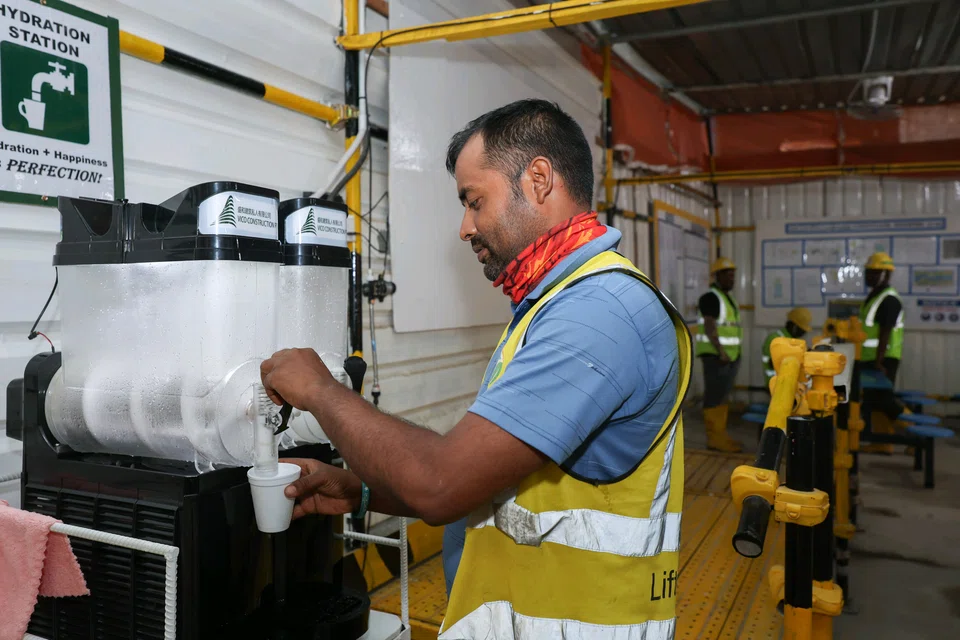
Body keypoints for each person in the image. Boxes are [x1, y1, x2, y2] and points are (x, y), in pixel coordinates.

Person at [260, 99, 691, 639]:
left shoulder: (597, 314)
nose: (465, 228)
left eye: (474, 201)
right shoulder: (554, 304)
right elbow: (494, 479)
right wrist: (360, 492)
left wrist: (321, 391)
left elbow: (440, 483)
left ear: (538, 180)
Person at [858, 251, 904, 453]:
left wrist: (879, 362)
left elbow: (885, 331)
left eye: (874, 273)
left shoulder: (889, 299)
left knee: (884, 400)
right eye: (868, 272)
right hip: (870, 358)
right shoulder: (875, 295)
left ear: (886, 274)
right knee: (873, 400)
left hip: (883, 359)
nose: (869, 276)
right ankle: (882, 443)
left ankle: (914, 432)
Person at [696, 258, 743, 452]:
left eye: (733, 275)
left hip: (729, 356)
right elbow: (709, 327)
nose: (732, 279)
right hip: (717, 357)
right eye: (728, 275)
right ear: (718, 276)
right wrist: (721, 352)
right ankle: (714, 439)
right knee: (714, 397)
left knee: (722, 397)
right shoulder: (711, 297)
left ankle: (721, 435)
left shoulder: (727, 298)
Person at [761, 307, 812, 385]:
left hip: (790, 383)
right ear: (794, 327)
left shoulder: (795, 340)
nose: (803, 333)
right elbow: (772, 363)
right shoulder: (775, 339)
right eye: (802, 330)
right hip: (776, 384)